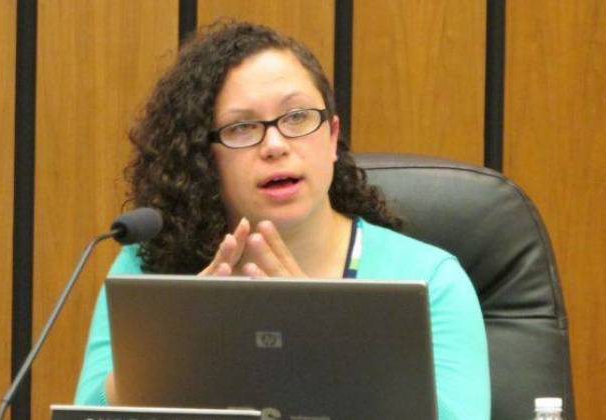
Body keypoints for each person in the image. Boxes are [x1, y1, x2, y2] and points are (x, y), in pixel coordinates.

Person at [75, 20, 490, 419]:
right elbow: (87, 415)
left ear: (331, 138)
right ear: (206, 158)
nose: (275, 144)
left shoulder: (428, 279)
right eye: (241, 127)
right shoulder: (152, 265)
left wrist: (312, 337)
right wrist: (179, 340)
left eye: (296, 118)